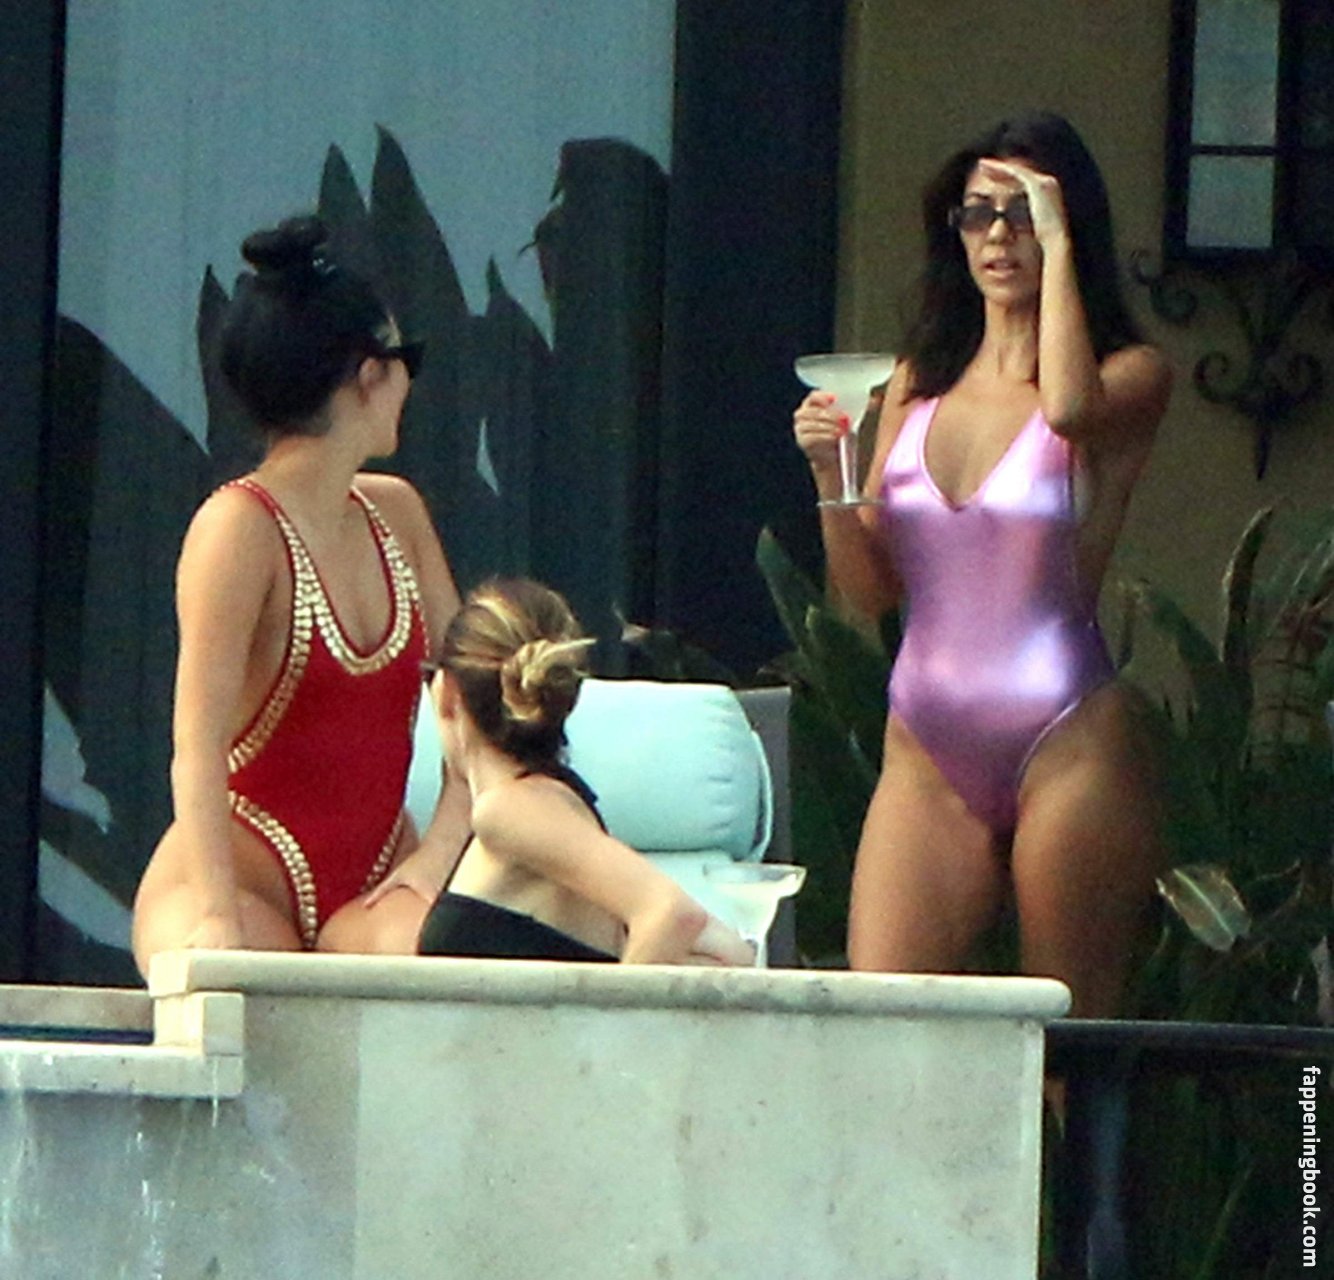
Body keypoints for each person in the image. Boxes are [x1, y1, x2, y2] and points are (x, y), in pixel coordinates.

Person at [793, 112, 1172, 1016]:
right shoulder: (917, 382)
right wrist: (829, 476)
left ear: (1068, 225)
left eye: (1025, 213)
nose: (999, 236)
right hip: (926, 743)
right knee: (882, 1019)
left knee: (1063, 1038)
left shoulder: (1132, 374)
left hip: (1066, 734)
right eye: (977, 213)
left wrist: (1061, 244)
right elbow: (868, 592)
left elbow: (1069, 410)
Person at [133, 215, 468, 976]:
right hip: (237, 878)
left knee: (454, 969)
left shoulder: (398, 513)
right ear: (370, 374)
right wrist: (218, 918)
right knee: (244, 986)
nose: (410, 384)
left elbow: (476, 708)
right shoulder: (237, 529)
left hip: (380, 875)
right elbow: (196, 746)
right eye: (406, 360)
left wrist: (438, 856)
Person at [415, 578, 755, 965]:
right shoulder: (549, 802)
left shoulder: (507, 809)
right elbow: (723, 946)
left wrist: (613, 1006)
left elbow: (669, 912)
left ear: (447, 693)